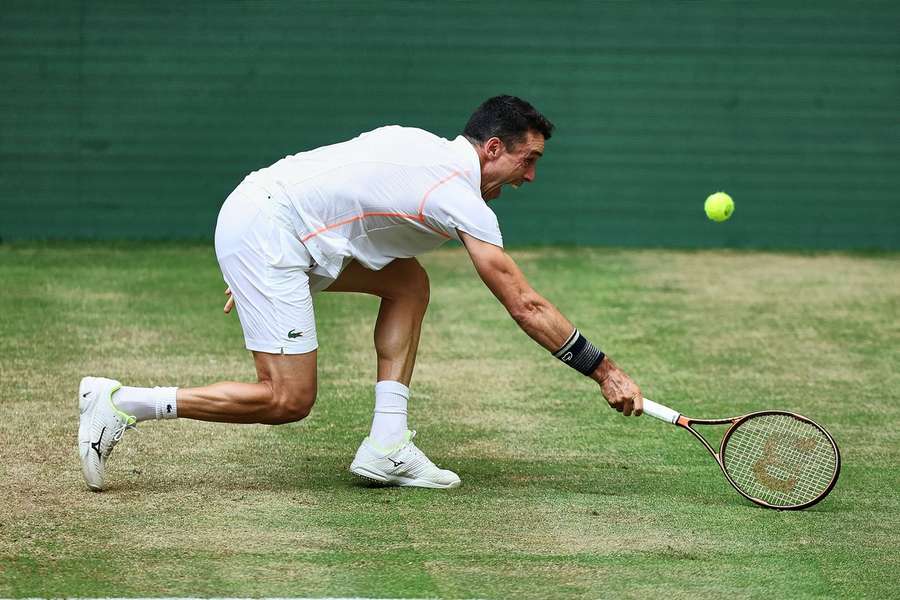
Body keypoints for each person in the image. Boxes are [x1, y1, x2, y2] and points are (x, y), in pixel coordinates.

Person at [78, 95, 643, 492]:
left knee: (408, 283)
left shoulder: (418, 144)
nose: (530, 178)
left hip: (271, 219)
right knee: (287, 399)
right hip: (270, 231)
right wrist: (603, 369)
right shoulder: (459, 195)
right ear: (494, 148)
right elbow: (525, 302)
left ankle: (387, 445)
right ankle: (123, 404)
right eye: (529, 160)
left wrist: (256, 259)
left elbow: (339, 191)